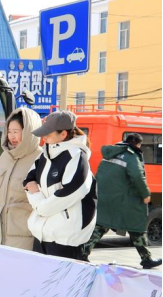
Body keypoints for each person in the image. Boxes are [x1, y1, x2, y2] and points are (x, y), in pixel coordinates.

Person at [25, 111, 97, 260]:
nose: (44, 138)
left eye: (48, 134)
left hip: (66, 239)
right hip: (41, 234)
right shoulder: (44, 154)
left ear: (63, 134)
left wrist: (39, 203)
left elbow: (74, 191)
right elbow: (28, 182)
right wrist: (39, 202)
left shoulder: (76, 156)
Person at [82, 133, 162, 269]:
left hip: (107, 196)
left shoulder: (110, 153)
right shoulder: (131, 156)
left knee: (101, 226)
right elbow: (137, 176)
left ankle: (83, 253)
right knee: (136, 227)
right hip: (125, 199)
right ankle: (146, 259)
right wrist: (145, 194)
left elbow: (100, 174)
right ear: (138, 144)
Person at [0, 108, 43, 250]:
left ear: (29, 132)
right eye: (9, 131)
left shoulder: (40, 157)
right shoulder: (4, 156)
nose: (12, 136)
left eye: (16, 132)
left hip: (25, 238)